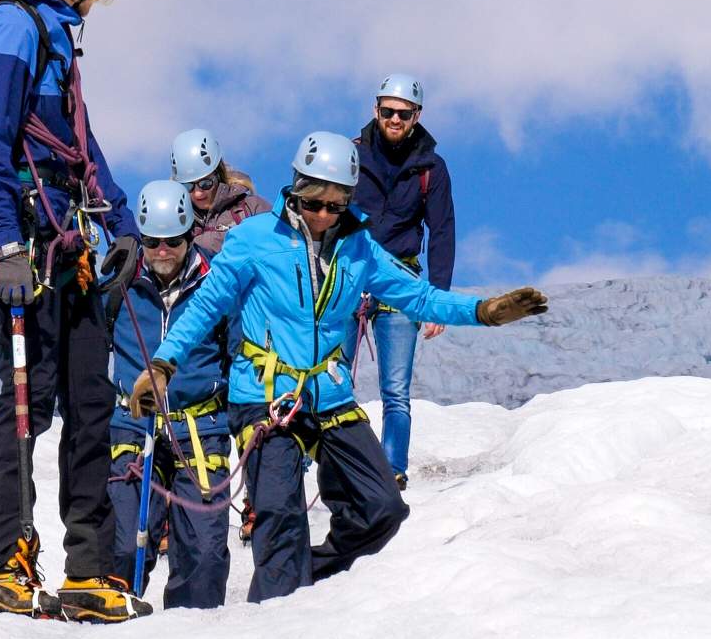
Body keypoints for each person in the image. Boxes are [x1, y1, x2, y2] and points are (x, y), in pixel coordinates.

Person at [128, 132, 548, 603]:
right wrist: (163, 363)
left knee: (383, 508)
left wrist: (483, 311)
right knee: (280, 518)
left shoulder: (359, 247)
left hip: (329, 396)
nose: (324, 215)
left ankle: (305, 573)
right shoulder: (252, 241)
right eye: (314, 204)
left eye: (336, 205)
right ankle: (274, 621)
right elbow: (206, 306)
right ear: (295, 192)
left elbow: (418, 296)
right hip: (266, 397)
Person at [0, 0, 150, 623]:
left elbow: (77, 144)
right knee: (26, 406)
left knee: (89, 405)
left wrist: (123, 222)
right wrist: (8, 249)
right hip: (26, 255)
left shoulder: (55, 31)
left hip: (70, 248)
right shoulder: (13, 27)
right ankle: (11, 569)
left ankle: (88, 572)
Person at [105, 181, 234, 610]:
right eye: (153, 241)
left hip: (201, 429)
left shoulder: (217, 284)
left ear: (189, 235)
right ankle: (113, 631)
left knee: (205, 554)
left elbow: (238, 352)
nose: (162, 250)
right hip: (133, 424)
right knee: (124, 543)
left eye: (173, 241)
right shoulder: (117, 283)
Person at [352, 76, 455, 488]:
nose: (395, 119)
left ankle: (392, 470)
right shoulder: (350, 156)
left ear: (417, 116)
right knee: (331, 374)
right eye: (388, 110)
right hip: (348, 278)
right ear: (375, 109)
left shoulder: (431, 168)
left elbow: (442, 230)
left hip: (401, 280)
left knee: (395, 389)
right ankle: (325, 461)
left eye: (404, 113)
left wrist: (438, 298)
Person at [169, 128, 270, 255]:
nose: (198, 193)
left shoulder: (251, 208)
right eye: (188, 186)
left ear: (218, 174)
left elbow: (278, 252)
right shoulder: (174, 221)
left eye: (205, 184)